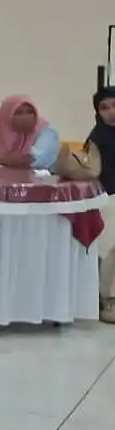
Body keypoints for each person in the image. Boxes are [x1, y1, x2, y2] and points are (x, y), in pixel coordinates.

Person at [0, 95, 59, 169]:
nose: (26, 117)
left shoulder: (47, 131)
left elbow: (36, 160)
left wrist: (9, 160)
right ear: (6, 117)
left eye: (30, 112)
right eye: (19, 113)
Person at [85, 87, 115, 322]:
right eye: (104, 108)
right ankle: (106, 301)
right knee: (110, 251)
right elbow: (89, 169)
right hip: (108, 198)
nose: (111, 112)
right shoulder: (97, 137)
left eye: (114, 105)